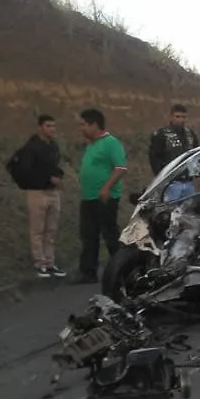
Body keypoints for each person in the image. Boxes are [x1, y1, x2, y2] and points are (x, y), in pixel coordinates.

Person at [7, 115, 66, 278]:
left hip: (53, 192)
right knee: (37, 230)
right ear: (40, 127)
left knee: (51, 230)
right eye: (48, 126)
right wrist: (47, 178)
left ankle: (50, 262)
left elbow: (54, 166)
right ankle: (39, 263)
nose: (52, 129)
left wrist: (58, 177)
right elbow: (26, 171)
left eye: (54, 126)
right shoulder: (30, 148)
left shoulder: (53, 146)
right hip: (37, 192)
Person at [75, 108, 128, 284]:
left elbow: (120, 168)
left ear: (94, 125)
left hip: (106, 197)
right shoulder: (91, 144)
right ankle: (88, 272)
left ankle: (121, 270)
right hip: (88, 197)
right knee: (89, 235)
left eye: (83, 125)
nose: (81, 128)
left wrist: (106, 187)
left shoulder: (111, 143)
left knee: (110, 235)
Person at [149, 104, 200, 201]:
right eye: (178, 117)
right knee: (170, 212)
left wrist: (197, 173)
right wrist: (161, 178)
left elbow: (197, 154)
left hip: (189, 181)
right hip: (171, 182)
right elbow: (154, 157)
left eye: (183, 117)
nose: (181, 120)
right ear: (171, 117)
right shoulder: (161, 134)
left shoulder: (191, 134)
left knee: (188, 211)